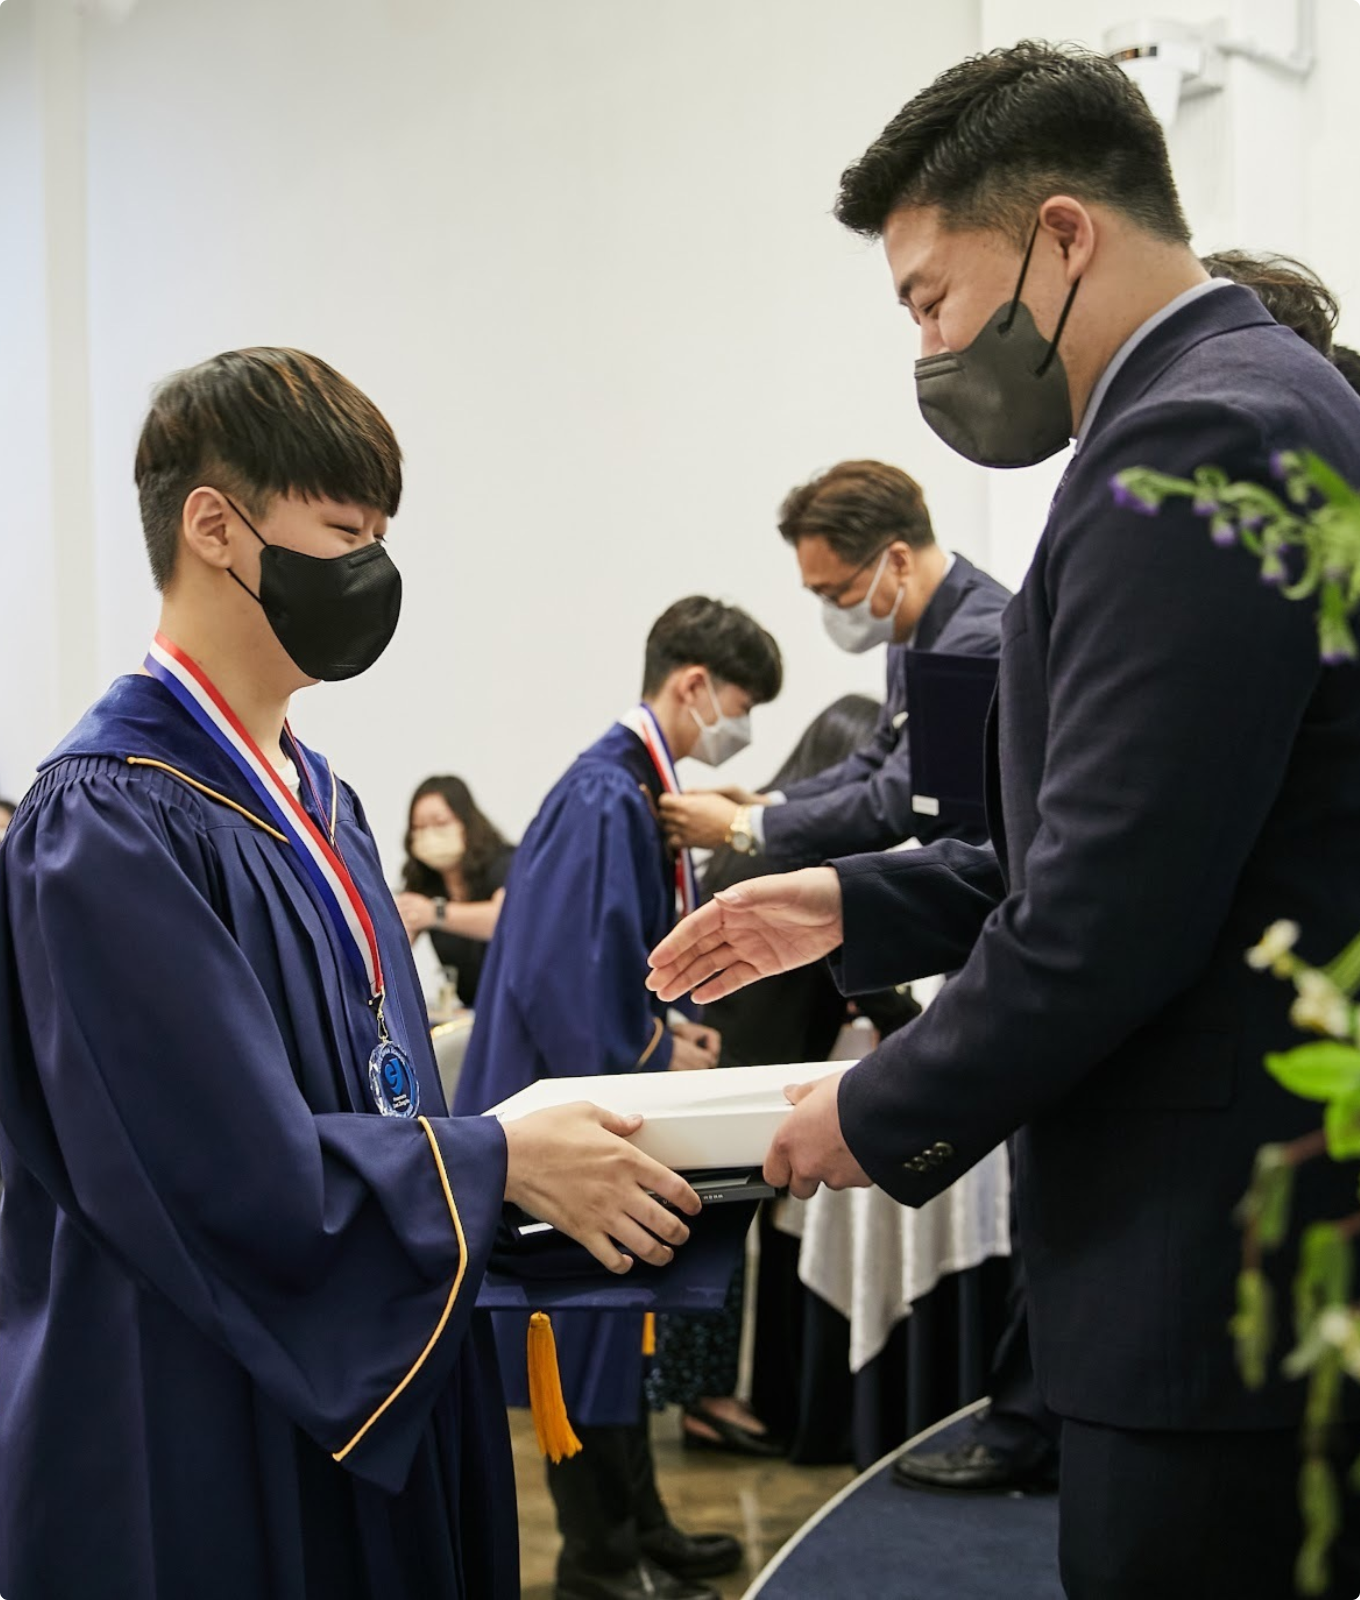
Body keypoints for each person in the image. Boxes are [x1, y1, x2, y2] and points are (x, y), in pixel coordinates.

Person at [649, 41, 1360, 1600]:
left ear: (1060, 234)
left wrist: (872, 1107)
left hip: (1208, 1269)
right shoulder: (1246, 405)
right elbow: (1153, 830)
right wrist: (850, 901)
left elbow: (1109, 915)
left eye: (929, 298)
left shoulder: (1195, 440)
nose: (928, 347)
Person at [0, 347, 704, 1600]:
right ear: (214, 527)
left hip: (378, 1340)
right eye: (343, 530)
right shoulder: (107, 816)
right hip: (210, 1380)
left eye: (381, 535)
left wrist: (487, 1168)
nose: (371, 569)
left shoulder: (322, 797)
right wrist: (492, 1164)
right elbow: (206, 1159)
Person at [456, 595, 782, 1600]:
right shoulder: (606, 794)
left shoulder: (635, 788)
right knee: (584, 1330)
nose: (738, 728)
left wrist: (670, 1034)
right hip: (564, 1110)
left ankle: (641, 1525)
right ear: (694, 685)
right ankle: (596, 1559)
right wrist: (655, 1049)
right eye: (740, 708)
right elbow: (567, 979)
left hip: (597, 1081)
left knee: (618, 1324)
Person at [661, 459, 1009, 866]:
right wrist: (769, 804)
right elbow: (878, 757)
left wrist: (746, 826)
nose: (832, 610)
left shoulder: (977, 641)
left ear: (898, 561)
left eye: (836, 593)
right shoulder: (911, 627)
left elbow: (896, 801)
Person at [394, 773, 514, 1007]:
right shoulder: (425, 884)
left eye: (440, 823)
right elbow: (393, 950)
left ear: (466, 822)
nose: (429, 835)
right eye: (418, 827)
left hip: (516, 1006)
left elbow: (503, 919)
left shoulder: (503, 863)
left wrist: (435, 913)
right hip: (469, 1010)